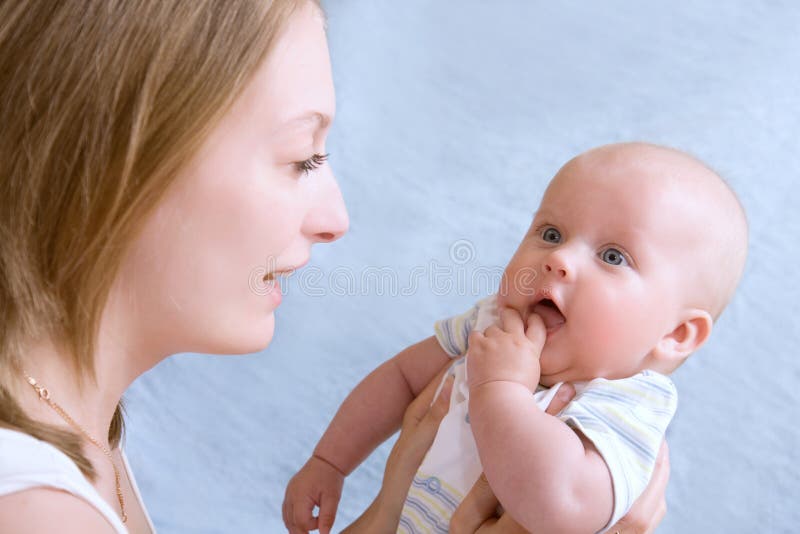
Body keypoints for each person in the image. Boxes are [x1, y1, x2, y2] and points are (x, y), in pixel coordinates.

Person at [0, 1, 669, 533]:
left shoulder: (83, 435)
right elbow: (406, 375)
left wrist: (380, 520)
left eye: (613, 256)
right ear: (121, 166)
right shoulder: (37, 511)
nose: (336, 218)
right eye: (302, 158)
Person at [285, 142, 748, 533]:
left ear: (675, 334)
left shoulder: (628, 407)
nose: (559, 258)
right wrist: (331, 461)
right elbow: (403, 378)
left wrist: (501, 390)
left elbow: (563, 504)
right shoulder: (491, 324)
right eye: (550, 233)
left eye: (612, 256)